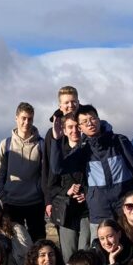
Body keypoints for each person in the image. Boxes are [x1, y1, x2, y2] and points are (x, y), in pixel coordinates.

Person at [50, 104, 133, 240]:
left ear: (99, 119)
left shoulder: (119, 141)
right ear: (80, 128)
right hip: (99, 209)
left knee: (132, 243)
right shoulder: (82, 150)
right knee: (100, 247)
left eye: (93, 119)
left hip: (125, 207)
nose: (90, 123)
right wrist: (56, 140)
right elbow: (58, 168)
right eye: (84, 122)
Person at [0, 102, 45, 243]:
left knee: (38, 243)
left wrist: (41, 194)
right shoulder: (6, 144)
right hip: (11, 203)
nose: (26, 122)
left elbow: (45, 174)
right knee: (15, 243)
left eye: (30, 119)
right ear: (16, 118)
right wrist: (3, 196)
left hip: (35, 202)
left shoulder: (41, 144)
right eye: (23, 118)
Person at [48, 111, 90, 262]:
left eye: (77, 126)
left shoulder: (89, 151)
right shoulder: (58, 154)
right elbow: (51, 186)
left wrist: (86, 193)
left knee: (86, 253)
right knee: (69, 256)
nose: (74, 130)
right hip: (66, 212)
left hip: (87, 210)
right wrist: (67, 191)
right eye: (70, 127)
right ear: (64, 131)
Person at [41, 85, 81, 222]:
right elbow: (47, 168)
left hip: (84, 196)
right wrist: (48, 200)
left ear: (78, 102)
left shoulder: (85, 128)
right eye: (66, 102)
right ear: (60, 106)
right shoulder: (51, 133)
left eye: (73, 101)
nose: (70, 105)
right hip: (59, 195)